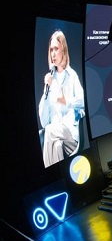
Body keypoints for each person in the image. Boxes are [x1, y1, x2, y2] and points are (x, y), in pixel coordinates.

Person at [38, 29, 85, 167]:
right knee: (54, 142)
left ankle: (49, 174)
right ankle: (59, 173)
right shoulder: (50, 80)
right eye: (51, 50)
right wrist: (46, 92)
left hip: (70, 136)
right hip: (55, 135)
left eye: (56, 49)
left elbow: (84, 101)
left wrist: (67, 102)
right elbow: (43, 121)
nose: (53, 53)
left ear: (63, 50)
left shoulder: (72, 76)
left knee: (50, 130)